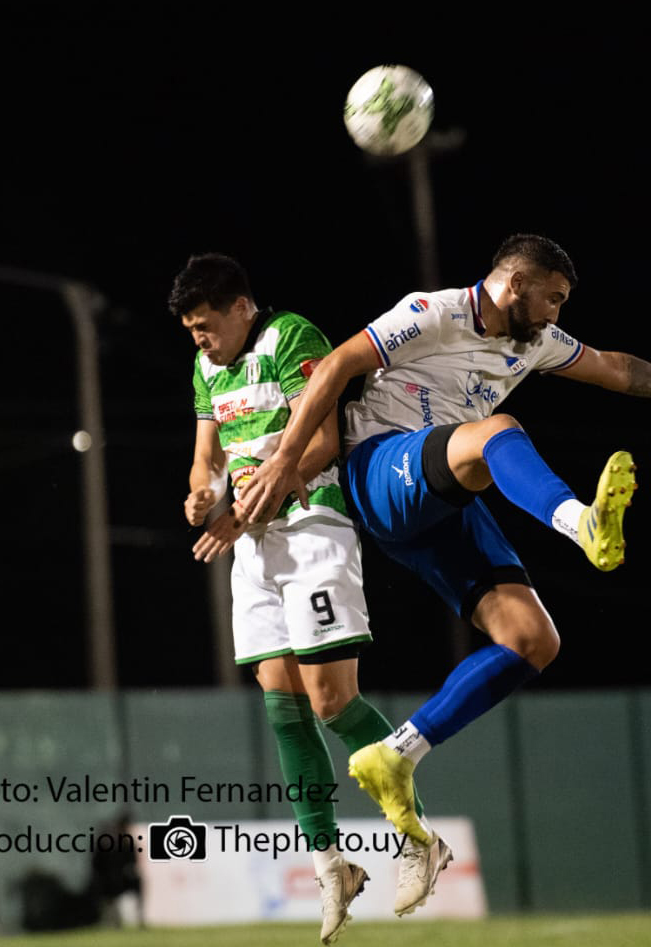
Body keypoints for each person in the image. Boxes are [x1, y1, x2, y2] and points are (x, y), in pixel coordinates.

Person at [195, 234, 651, 846]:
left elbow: (614, 367)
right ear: (515, 285)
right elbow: (336, 366)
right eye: (552, 299)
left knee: (533, 641)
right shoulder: (432, 312)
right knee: (494, 432)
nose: (556, 315)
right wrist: (285, 461)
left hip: (441, 492)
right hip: (380, 464)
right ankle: (579, 522)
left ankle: (399, 753)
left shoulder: (535, 341)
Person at [169, 253, 452, 944]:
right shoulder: (206, 367)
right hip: (253, 548)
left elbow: (322, 442)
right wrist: (202, 495)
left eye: (206, 325)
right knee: (283, 709)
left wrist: (247, 503)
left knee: (331, 702)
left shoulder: (290, 336)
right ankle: (332, 867)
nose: (200, 339)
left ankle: (419, 836)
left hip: (310, 528)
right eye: (191, 330)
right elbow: (207, 458)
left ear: (241, 307)